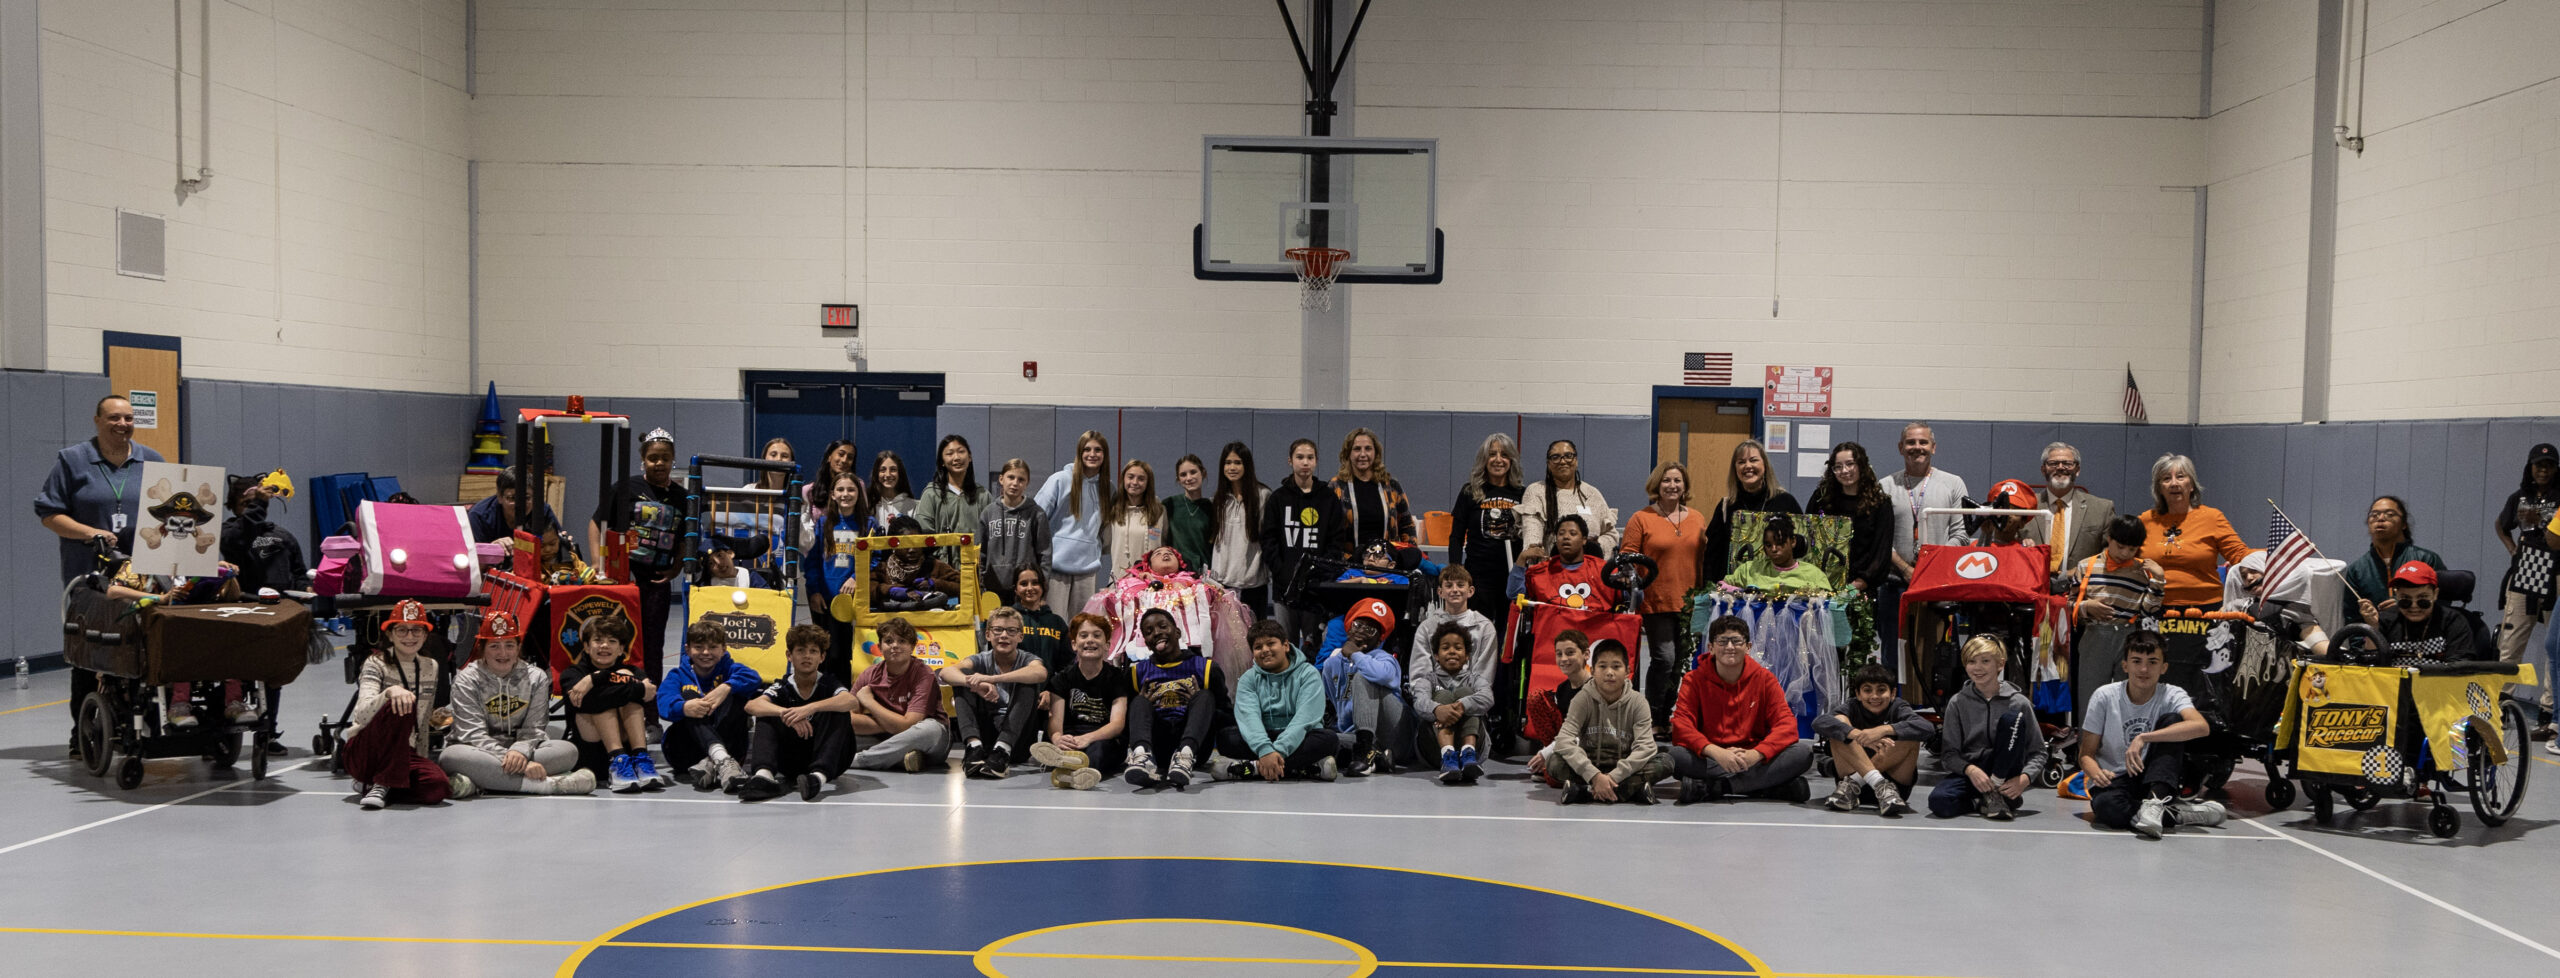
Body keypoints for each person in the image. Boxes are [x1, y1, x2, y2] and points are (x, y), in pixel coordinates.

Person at [36, 394, 167, 743]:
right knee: (90, 650)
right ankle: (83, 735)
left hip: (141, 577)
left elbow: (170, 514)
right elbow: (50, 514)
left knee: (144, 649)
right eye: (114, 418)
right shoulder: (72, 460)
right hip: (89, 575)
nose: (122, 424)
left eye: (128, 418)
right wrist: (89, 532)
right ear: (97, 421)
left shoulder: (152, 461)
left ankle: (143, 724)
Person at [2080, 630, 2227, 838]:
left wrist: (2144, 737)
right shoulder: (2104, 696)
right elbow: (2086, 755)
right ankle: (2179, 814)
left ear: (2163, 667)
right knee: (2107, 807)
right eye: (2136, 661)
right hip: (2116, 779)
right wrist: (2096, 773)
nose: (2144, 669)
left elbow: (2201, 726)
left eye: (2152, 662)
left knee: (2173, 721)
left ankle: (2155, 803)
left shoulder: (2172, 694)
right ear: (2125, 666)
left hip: (2154, 779)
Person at [438, 611, 594, 798]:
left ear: (519, 647)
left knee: (568, 751)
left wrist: (519, 752)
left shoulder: (536, 677)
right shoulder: (466, 679)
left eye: (509, 645)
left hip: (521, 750)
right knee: (451, 757)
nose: (503, 653)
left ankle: (479, 782)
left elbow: (534, 729)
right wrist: (519, 762)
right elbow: (472, 734)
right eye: (494, 646)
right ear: (482, 648)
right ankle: (547, 785)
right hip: (477, 751)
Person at [1667, 614, 1812, 804]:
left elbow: (1786, 725)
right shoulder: (1693, 680)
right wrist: (1716, 752)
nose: (1729, 647)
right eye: (1722, 641)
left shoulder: (1765, 679)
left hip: (1752, 759)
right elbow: (1682, 725)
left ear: (1748, 647)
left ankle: (1716, 788)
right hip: (1712, 757)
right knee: (1675, 757)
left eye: (1736, 641)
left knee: (1802, 754)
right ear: (1711, 648)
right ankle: (1764, 787)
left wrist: (1756, 754)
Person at [587, 426, 683, 682]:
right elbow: (597, 523)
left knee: (653, 643)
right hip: (623, 577)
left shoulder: (682, 497)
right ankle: (614, 687)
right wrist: (597, 562)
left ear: (673, 459)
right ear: (643, 459)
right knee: (616, 637)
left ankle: (650, 697)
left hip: (656, 582)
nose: (659, 463)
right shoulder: (625, 488)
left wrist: (676, 567)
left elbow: (685, 536)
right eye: (653, 458)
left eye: (665, 458)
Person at [341, 601, 452, 809]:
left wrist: (422, 758)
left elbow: (422, 722)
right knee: (402, 703)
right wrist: (389, 693)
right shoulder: (375, 663)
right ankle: (382, 783)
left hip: (404, 752)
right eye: (402, 630)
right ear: (390, 635)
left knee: (438, 788)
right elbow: (362, 714)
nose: (409, 636)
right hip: (366, 750)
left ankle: (375, 785)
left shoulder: (431, 666)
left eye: (416, 630)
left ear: (425, 635)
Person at [1623, 460, 1707, 724]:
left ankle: (1665, 715)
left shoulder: (1697, 518)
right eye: (1667, 480)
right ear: (1657, 485)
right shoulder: (1642, 518)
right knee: (1664, 658)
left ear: (1685, 486)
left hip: (1690, 601)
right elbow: (1627, 557)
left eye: (1677, 480)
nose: (1672, 485)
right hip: (1656, 600)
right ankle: (1651, 715)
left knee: (1681, 662)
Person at [1928, 635, 2045, 820]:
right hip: (1973, 772)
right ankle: (1984, 801)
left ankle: (1997, 789)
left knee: (2012, 719)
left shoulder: (2019, 702)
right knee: (1939, 802)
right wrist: (1970, 770)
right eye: (1971, 661)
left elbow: (2039, 752)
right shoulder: (1957, 702)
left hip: (2007, 771)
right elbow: (1949, 755)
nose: (1978, 667)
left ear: (2000, 664)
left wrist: (2024, 779)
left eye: (1985, 661)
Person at [737, 624, 857, 802]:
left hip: (829, 759)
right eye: (801, 650)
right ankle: (763, 777)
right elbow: (751, 706)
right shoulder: (783, 686)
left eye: (813, 651)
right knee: (767, 712)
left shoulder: (829, 683)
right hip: (791, 761)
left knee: (839, 709)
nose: (807, 656)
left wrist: (810, 708)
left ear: (822, 657)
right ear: (789, 655)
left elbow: (851, 701)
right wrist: (787, 714)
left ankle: (817, 779)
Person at [1213, 619, 1339, 782]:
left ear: (1285, 646)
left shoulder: (1308, 674)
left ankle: (1252, 768)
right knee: (1226, 738)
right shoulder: (1248, 679)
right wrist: (1265, 750)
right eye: (1258, 647)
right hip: (1264, 736)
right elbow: (1249, 718)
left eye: (1271, 643)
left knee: (1328, 740)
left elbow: (1305, 719)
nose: (1265, 650)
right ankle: (1305, 768)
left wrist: (1277, 751)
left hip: (1300, 737)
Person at [2071, 514, 2170, 717]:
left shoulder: (2142, 571)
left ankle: (2126, 736)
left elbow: (2149, 610)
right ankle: (2087, 738)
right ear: (2109, 539)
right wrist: (2086, 606)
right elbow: (2068, 602)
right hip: (2095, 634)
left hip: (2128, 634)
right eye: (2120, 546)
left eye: (2132, 549)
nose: (2125, 553)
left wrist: (2159, 579)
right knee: (2090, 694)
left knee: (2128, 694)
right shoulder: (2086, 566)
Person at [1551, 639, 1670, 805]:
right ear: (1592, 670)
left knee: (1666, 762)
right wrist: (1594, 775)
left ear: (1627, 671)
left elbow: (1646, 747)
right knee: (1554, 762)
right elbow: (1563, 740)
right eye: (1602, 666)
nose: (1609, 672)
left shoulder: (1638, 702)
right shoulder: (1582, 699)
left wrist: (1614, 776)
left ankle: (1586, 791)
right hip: (1591, 764)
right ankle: (1630, 791)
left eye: (1616, 666)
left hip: (1625, 766)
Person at [560, 614, 665, 793]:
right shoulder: (572, 674)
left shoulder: (633, 671)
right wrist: (626, 686)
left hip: (630, 758)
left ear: (621, 649)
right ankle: (617, 759)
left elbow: (649, 693)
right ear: (586, 647)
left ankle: (640, 758)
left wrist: (596, 679)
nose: (604, 645)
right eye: (598, 640)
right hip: (590, 756)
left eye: (612, 641)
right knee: (605, 698)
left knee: (625, 680)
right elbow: (589, 702)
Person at [941, 606, 1050, 779]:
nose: (1004, 635)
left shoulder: (1028, 659)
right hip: (986, 737)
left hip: (1017, 741)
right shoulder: (981, 659)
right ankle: (973, 747)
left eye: (1011, 631)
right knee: (964, 677)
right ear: (988, 635)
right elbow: (945, 672)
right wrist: (975, 684)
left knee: (1028, 681)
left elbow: (1040, 673)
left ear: (1020, 636)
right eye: (998, 630)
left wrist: (992, 679)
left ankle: (1002, 751)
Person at [2136, 454, 2254, 611]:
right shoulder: (2145, 520)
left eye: (2180, 477)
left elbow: (2240, 555)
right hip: (2154, 606)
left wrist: (2275, 555)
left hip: (2205, 608)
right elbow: (2122, 557)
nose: (2174, 484)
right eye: (2166, 479)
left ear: (2191, 485)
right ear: (2159, 489)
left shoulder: (2212, 517)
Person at [1031, 613, 1132, 789]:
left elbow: (1117, 724)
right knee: (1059, 743)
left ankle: (1070, 769)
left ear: (1107, 645)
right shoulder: (1061, 679)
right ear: (1074, 644)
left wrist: (1087, 738)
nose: (1090, 640)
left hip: (1102, 738)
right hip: (1071, 737)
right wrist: (1058, 739)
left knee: (1099, 750)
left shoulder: (1117, 678)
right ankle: (1071, 766)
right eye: (1083, 635)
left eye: (1097, 635)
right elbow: (1055, 723)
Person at [1122, 607, 1219, 789]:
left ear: (1177, 632)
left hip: (1195, 746)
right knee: (1139, 701)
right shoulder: (1136, 672)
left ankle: (1184, 757)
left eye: (1163, 626)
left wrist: (1197, 704)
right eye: (1149, 632)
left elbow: (1224, 714)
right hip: (1158, 747)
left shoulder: (1206, 668)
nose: (1157, 633)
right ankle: (1142, 757)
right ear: (1147, 643)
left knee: (1205, 696)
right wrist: (1143, 707)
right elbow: (1127, 719)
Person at [1811, 664, 1927, 816]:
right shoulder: (1852, 706)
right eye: (1867, 690)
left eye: (1881, 690)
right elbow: (1819, 722)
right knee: (1839, 723)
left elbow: (1926, 727)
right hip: (1850, 790)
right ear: (1858, 694)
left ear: (1892, 693)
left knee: (1911, 734)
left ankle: (1863, 783)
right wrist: (1857, 734)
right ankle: (1878, 783)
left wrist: (1883, 730)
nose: (1874, 696)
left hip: (1893, 790)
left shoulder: (1898, 707)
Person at [1261, 438, 1347, 644]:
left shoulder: (1328, 498)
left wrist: (1319, 574)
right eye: (1300, 457)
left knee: (1313, 645)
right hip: (1284, 588)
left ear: (1316, 461)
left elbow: (1336, 541)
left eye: (1310, 457)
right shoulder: (1278, 498)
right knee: (1284, 645)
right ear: (1290, 461)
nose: (1305, 462)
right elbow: (1269, 540)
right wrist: (1282, 572)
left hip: (1316, 589)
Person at [659, 620, 761, 792]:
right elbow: (663, 704)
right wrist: (684, 707)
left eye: (713, 647)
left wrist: (726, 687)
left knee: (737, 695)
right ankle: (720, 758)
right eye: (699, 647)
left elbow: (754, 678)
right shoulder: (677, 675)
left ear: (724, 649)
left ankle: (712, 761)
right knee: (689, 696)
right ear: (687, 649)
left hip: (731, 749)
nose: (706, 653)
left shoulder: (730, 669)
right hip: (684, 753)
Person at [849, 616, 954, 773]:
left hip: (929, 740)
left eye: (902, 641)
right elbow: (849, 719)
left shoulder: (923, 674)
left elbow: (909, 725)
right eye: (889, 641)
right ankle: (900, 758)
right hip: (890, 737)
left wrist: (869, 702)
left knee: (930, 730)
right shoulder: (869, 674)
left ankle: (857, 760)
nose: (895, 645)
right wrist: (891, 726)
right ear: (879, 647)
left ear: (912, 647)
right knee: (839, 731)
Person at [1318, 597, 1407, 776]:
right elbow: (1336, 702)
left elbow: (1381, 675)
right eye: (1358, 625)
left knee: (1364, 677)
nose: (1361, 631)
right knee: (1323, 740)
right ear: (1349, 628)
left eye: (1370, 629)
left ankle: (1364, 753)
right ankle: (1378, 757)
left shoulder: (1385, 659)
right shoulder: (1331, 664)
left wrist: (1355, 655)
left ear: (1379, 639)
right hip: (1355, 735)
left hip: (1394, 732)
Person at [1449, 433, 1528, 627]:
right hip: (1478, 574)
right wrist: (1455, 570)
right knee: (1477, 630)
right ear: (1484, 459)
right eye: (1492, 454)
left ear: (1512, 460)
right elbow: (1456, 536)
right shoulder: (1469, 491)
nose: (1498, 460)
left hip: (1511, 574)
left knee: (1507, 630)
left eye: (1504, 455)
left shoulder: (1523, 493)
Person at [1702, 439, 1802, 583]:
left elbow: (1800, 548)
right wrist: (1710, 588)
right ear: (1735, 469)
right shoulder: (1726, 506)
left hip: (1777, 586)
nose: (1748, 466)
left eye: (1753, 460)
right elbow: (1712, 556)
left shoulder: (1785, 502)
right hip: (1733, 588)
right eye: (1741, 462)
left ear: (1765, 465)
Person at [2497, 444, 2560, 669]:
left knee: (2555, 642)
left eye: (2549, 465)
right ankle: (2504, 689)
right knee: (2512, 638)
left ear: (2556, 469)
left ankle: (2551, 693)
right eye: (2538, 465)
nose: (2543, 470)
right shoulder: (2520, 496)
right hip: (2527, 566)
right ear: (2530, 467)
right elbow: (2501, 524)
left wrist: (2542, 522)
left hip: (2556, 570)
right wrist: (2512, 548)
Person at [1804, 442, 1894, 598]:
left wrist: (1856, 586)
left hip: (1860, 590)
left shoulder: (1880, 504)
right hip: (1821, 586)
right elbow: (1808, 537)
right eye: (1838, 466)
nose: (1844, 471)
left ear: (1861, 465)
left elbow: (1881, 553)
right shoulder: (1821, 498)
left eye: (1850, 464)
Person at [1037, 430, 1112, 612]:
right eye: (1087, 449)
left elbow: (1105, 529)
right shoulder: (1059, 480)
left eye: (1098, 450)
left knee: (1082, 624)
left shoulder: (1108, 488)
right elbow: (1037, 519)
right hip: (1055, 568)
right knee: (1055, 623)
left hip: (1087, 569)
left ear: (1104, 455)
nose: (1092, 454)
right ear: (1079, 452)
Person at [2359, 561, 2481, 665]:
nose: (2414, 606)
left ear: (2435, 594)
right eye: (2405, 600)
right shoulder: (2385, 619)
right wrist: (2373, 627)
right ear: (2397, 596)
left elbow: (2459, 667)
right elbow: (2371, 665)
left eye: (2422, 600)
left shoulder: (2453, 620)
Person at [1408, 565, 1497, 705]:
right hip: (1434, 699)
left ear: (1470, 591)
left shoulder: (1485, 627)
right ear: (1440, 592)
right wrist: (1434, 706)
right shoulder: (1426, 627)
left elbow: (1485, 676)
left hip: (1471, 698)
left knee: (1468, 696)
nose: (1455, 590)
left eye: (1460, 585)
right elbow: (1419, 675)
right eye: (1449, 586)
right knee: (1439, 698)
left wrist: (1465, 703)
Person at [807, 473, 868, 675]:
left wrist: (856, 578)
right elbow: (813, 561)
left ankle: (849, 691)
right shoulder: (823, 523)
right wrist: (814, 591)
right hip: (825, 599)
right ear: (832, 494)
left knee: (851, 652)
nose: (845, 494)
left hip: (854, 600)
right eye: (840, 489)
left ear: (859, 493)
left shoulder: (868, 524)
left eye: (851, 489)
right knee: (828, 654)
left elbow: (874, 559)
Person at [2341, 494, 2446, 612]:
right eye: (2374, 515)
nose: (2380, 518)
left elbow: (2444, 599)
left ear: (2404, 524)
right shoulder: (2357, 570)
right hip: (2376, 624)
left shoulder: (2426, 559)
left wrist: (2405, 603)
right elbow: (2352, 615)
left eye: (2390, 514)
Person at [1416, 621, 1491, 784]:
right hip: (1434, 749)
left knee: (1466, 694)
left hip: (1475, 749)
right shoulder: (1427, 680)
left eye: (1458, 648)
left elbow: (1487, 697)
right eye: (1445, 648)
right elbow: (1419, 702)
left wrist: (1462, 705)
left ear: (1467, 655)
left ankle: (1468, 753)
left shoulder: (1475, 680)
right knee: (1442, 696)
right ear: (1436, 655)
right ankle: (1447, 755)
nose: (1452, 651)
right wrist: (1437, 710)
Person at [1520, 439, 1618, 560]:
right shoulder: (1536, 491)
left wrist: (1593, 547)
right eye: (1555, 457)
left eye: (1568, 456)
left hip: (1591, 568)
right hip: (1552, 567)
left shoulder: (1592, 494)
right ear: (1548, 464)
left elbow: (1611, 534)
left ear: (1576, 460)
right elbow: (1532, 538)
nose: (1562, 461)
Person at [1206, 442, 1271, 614]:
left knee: (1255, 629)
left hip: (1253, 583)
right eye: (1228, 463)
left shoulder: (1263, 495)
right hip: (1222, 583)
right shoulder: (1218, 499)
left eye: (1237, 462)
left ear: (1246, 465)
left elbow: (1268, 538)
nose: (1232, 467)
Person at [2029, 442, 2115, 571]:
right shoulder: (2026, 506)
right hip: (2031, 581)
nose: (2060, 467)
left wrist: (2085, 571)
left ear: (2077, 470)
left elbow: (2111, 553)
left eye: (2067, 463)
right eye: (2053, 463)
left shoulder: (2102, 509)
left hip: (2080, 582)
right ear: (2043, 470)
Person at [1523, 630, 1593, 786]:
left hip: (1587, 744)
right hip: (1565, 743)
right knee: (1536, 697)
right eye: (1559, 654)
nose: (1564, 659)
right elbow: (1563, 729)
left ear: (1586, 654)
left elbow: (1582, 734)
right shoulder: (1562, 689)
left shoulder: (1593, 689)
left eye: (1570, 653)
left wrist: (1545, 754)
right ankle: (1552, 764)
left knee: (1553, 777)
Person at [1331, 427, 1415, 551]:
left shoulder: (1392, 486)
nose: (1363, 454)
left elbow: (1407, 525)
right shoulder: (1336, 487)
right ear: (1348, 453)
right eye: (1357, 449)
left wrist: (1410, 555)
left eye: (1368, 449)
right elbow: (1328, 530)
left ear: (1376, 453)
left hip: (1387, 560)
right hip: (1348, 561)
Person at [979, 458, 1051, 602]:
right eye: (1011, 477)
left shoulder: (1036, 514)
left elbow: (1045, 554)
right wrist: (980, 584)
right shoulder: (988, 513)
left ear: (1027, 483)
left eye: (1021, 479)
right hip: (993, 588)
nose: (1015, 483)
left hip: (1025, 589)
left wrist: (1042, 586)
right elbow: (981, 553)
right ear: (1001, 479)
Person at [1516, 515, 1619, 612]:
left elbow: (1626, 596)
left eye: (1572, 533)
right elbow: (1515, 596)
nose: (1566, 537)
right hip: (1554, 624)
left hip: (1596, 624)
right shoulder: (1541, 572)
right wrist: (1522, 558)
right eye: (1561, 534)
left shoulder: (1604, 571)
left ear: (1584, 540)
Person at [916, 434, 988, 564]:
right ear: (942, 462)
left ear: (970, 457)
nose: (956, 457)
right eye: (949, 454)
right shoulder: (931, 493)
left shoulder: (983, 495)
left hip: (974, 568)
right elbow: (923, 534)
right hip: (941, 569)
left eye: (961, 452)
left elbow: (991, 535)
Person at [870, 516, 963, 612]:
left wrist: (934, 584)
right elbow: (867, 588)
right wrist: (890, 590)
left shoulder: (934, 565)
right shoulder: (883, 568)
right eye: (905, 544)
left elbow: (963, 585)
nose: (912, 550)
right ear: (894, 546)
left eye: (916, 543)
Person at [1725, 513, 1833, 592]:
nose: (1774, 549)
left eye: (1780, 543)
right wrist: (1741, 592)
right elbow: (1721, 586)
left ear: (1793, 541)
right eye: (1768, 545)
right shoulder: (1750, 569)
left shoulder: (1814, 574)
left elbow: (1829, 601)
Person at [1100, 459, 1166, 583]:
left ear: (1148, 483)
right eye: (1130, 477)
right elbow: (1105, 542)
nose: (1135, 482)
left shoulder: (1158, 511)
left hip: (1151, 580)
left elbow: (1163, 543)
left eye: (1141, 479)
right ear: (1123, 479)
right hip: (1120, 580)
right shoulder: (1114, 509)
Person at [464, 468, 562, 545]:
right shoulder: (479, 516)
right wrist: (492, 549)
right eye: (513, 498)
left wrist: (564, 543)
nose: (520, 504)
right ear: (499, 497)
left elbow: (558, 542)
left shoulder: (542, 511)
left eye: (526, 498)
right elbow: (474, 557)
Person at [1012, 566, 1071, 673]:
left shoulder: (1057, 623)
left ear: (1043, 587)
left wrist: (1055, 683)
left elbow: (1067, 662)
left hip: (1051, 683)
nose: (1030, 588)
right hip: (1014, 682)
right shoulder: (1008, 620)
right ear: (1015, 589)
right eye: (1024, 584)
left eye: (1035, 583)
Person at [1162, 454, 1215, 573]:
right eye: (1183, 474)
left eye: (1193, 472)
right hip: (1176, 574)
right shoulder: (1169, 505)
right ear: (1178, 479)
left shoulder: (1212, 508)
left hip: (1204, 574)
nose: (1189, 478)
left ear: (1203, 473)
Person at [1969, 479, 2041, 546]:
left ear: (2022, 523)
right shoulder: (1975, 546)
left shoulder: (2024, 550)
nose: (2007, 515)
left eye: (2014, 510)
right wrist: (1986, 533)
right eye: (2001, 508)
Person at [803, 439, 862, 514]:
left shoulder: (859, 485)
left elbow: (863, 515)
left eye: (850, 457)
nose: (844, 460)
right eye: (841, 454)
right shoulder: (809, 490)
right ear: (829, 456)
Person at [866, 450, 919, 529]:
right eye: (883, 470)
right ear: (876, 474)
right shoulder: (869, 504)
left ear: (900, 473)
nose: (888, 474)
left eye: (893, 470)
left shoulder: (913, 506)